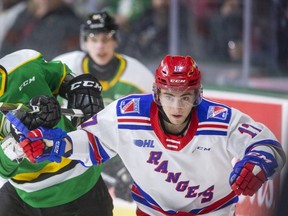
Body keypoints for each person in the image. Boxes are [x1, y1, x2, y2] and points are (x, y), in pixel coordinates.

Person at [18, 54, 286, 215]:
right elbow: (92, 142)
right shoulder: (128, 112)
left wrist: (258, 164)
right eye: (169, 96)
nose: (177, 106)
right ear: (157, 93)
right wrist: (54, 144)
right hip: (152, 213)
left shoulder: (220, 119)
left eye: (185, 97)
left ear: (197, 95)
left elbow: (268, 145)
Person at [53, 10, 154, 201]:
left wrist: (137, 165)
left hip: (119, 161)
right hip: (72, 154)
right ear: (84, 41)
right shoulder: (64, 67)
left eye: (106, 38)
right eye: (93, 38)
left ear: (116, 40)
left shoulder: (139, 76)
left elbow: (153, 126)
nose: (100, 45)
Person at [0, 49, 113, 216]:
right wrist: (17, 145)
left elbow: (62, 76)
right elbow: (3, 169)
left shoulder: (24, 63)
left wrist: (79, 88)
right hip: (25, 196)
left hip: (81, 184)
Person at [0, 0, 82, 60]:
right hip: (19, 68)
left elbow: (73, 54)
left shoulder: (70, 20)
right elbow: (8, 43)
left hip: (48, 73)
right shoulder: (24, 15)